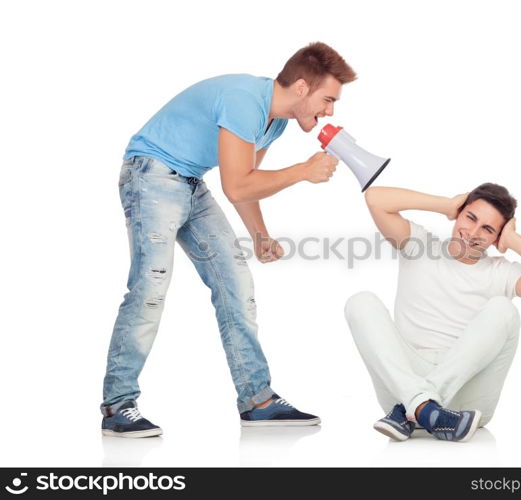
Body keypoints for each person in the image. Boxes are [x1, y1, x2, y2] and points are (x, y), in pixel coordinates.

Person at [102, 42, 357, 437]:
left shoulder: (276, 121)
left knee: (236, 283)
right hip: (150, 173)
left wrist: (260, 236)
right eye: (328, 99)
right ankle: (118, 405)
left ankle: (258, 401)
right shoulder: (244, 101)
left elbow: (247, 182)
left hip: (189, 181)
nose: (330, 111)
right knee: (150, 285)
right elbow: (237, 185)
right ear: (303, 88)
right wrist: (303, 171)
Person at [344, 183, 521, 442]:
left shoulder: (501, 272)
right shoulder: (419, 244)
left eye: (488, 229)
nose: (473, 233)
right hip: (403, 383)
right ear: (460, 212)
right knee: (360, 302)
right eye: (470, 217)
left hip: (466, 399)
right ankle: (425, 407)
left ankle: (417, 407)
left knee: (504, 310)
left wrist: (513, 240)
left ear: (496, 237)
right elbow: (376, 198)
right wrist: (445, 205)